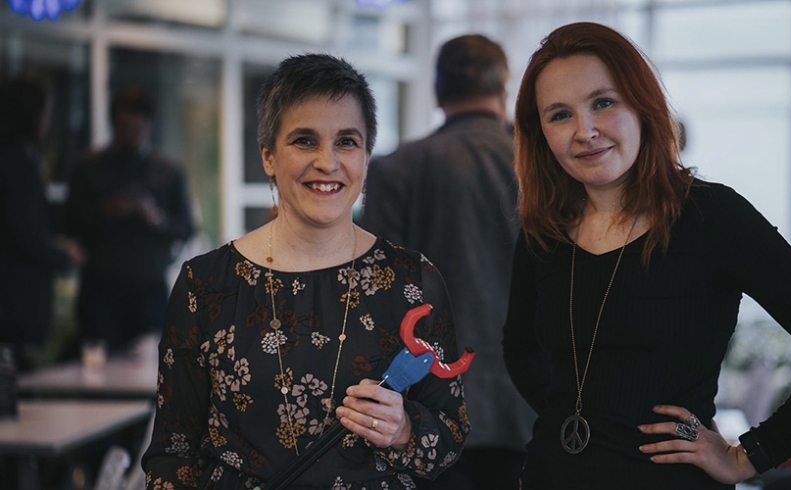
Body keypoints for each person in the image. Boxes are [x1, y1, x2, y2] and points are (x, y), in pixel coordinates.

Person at [501, 22, 791, 488]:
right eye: (560, 114)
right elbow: (520, 348)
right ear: (540, 132)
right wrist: (578, 417)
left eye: (603, 103)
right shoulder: (545, 231)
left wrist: (749, 455)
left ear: (643, 106)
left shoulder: (711, 217)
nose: (585, 131)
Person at [141, 53, 469, 490]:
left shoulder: (412, 280)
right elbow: (173, 453)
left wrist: (405, 429)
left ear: (366, 157)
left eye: (346, 142)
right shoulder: (205, 285)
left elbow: (450, 434)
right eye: (304, 141)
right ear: (268, 156)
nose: (327, 162)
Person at [360, 34, 535, 490]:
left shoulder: (396, 169)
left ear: (438, 93)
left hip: (429, 403)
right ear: (503, 90)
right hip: (530, 399)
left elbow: (379, 293)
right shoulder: (539, 165)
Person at [63, 87, 194, 353]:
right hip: (101, 287)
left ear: (148, 125)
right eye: (124, 127)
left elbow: (187, 228)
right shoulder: (88, 167)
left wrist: (155, 217)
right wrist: (106, 211)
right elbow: (68, 224)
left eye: (137, 127)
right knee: (96, 363)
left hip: (149, 288)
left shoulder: (168, 170)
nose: (131, 134)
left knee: (151, 363)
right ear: (113, 125)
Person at [0, 76, 83, 370]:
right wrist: (63, 255)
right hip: (14, 301)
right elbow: (22, 234)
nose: (48, 123)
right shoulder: (18, 164)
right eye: (46, 114)